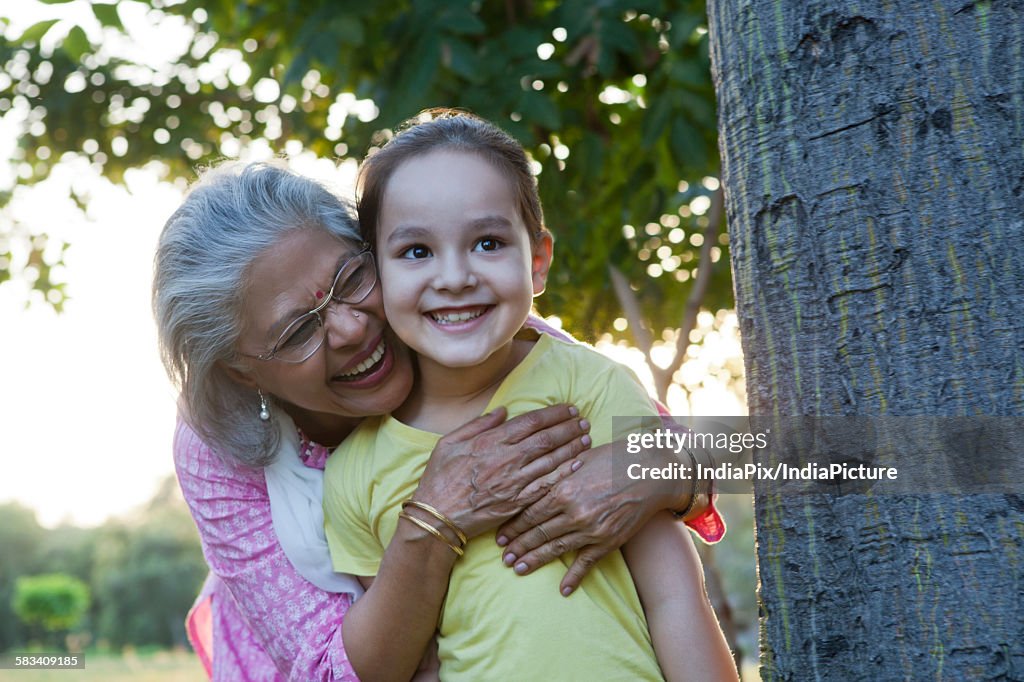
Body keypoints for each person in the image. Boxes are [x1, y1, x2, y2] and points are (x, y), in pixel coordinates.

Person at [155, 160, 725, 680]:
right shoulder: (213, 446)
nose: (351, 329)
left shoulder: (488, 343)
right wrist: (434, 518)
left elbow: (699, 454)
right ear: (242, 373)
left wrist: (658, 469)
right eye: (298, 331)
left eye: (352, 279)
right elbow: (330, 671)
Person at [323, 111, 736, 681]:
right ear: (377, 274)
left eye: (487, 243)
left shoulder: (589, 386)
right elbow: (409, 663)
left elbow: (675, 595)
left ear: (537, 261)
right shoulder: (355, 471)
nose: (454, 276)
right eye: (416, 251)